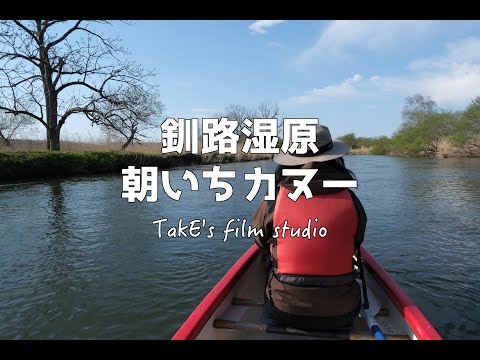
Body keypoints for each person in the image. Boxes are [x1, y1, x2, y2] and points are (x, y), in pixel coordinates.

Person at [252, 124, 368, 331]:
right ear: (334, 159)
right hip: (342, 311)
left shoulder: (274, 198)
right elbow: (356, 241)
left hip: (284, 310)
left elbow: (259, 238)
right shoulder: (351, 199)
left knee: (268, 255)